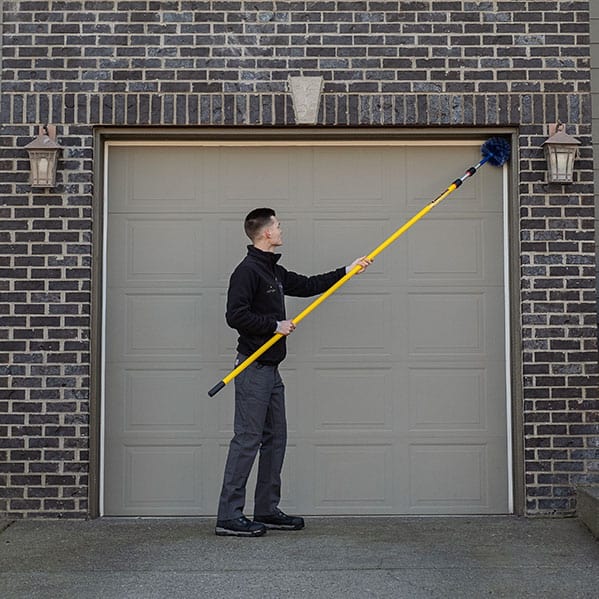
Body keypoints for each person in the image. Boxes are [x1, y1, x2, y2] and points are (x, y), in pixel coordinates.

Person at [215, 208, 371, 537]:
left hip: (271, 371)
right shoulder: (247, 272)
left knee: (275, 439)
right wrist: (274, 325)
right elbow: (235, 315)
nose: (282, 229)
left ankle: (267, 509)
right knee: (247, 441)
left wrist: (349, 269)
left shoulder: (273, 271)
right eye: (278, 226)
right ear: (266, 233)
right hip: (252, 368)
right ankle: (229, 516)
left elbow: (309, 284)